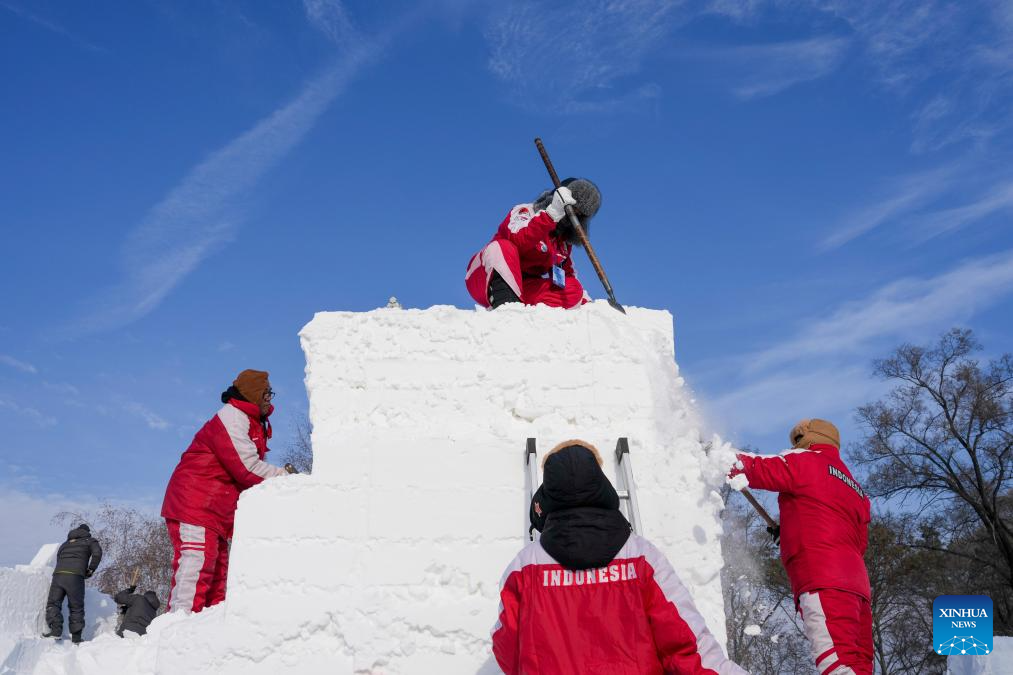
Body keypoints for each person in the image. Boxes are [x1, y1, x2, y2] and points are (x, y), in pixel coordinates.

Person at [493, 441, 746, 674]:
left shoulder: (524, 566)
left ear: (547, 496)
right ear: (601, 485)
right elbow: (688, 645)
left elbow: (506, 648)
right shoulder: (643, 557)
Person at [729, 419, 873, 675]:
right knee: (859, 667)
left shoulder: (806, 461)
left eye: (797, 441)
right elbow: (857, 543)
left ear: (807, 439)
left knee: (837, 665)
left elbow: (755, 469)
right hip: (858, 590)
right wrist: (789, 534)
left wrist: (718, 455)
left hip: (823, 579)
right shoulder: (857, 490)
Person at [161, 369, 292, 613]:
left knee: (218, 577)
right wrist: (286, 478)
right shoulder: (232, 418)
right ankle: (179, 625)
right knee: (197, 567)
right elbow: (247, 468)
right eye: (266, 393)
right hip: (196, 504)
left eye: (270, 394)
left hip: (216, 512)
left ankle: (206, 629)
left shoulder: (252, 421)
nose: (269, 399)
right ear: (253, 393)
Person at [465, 179, 600, 309]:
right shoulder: (526, 211)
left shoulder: (562, 244)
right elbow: (517, 239)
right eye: (572, 209)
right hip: (485, 275)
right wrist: (551, 215)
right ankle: (506, 309)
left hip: (525, 286)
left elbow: (567, 276)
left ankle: (520, 307)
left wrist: (589, 304)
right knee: (502, 247)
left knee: (573, 289)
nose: (573, 214)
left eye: (579, 214)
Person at [41, 523, 102, 644]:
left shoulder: (65, 544)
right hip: (75, 576)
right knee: (76, 607)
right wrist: (90, 569)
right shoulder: (90, 541)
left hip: (58, 575)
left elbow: (58, 558)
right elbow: (97, 553)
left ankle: (55, 631)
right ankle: (76, 638)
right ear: (87, 532)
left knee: (53, 604)